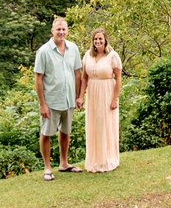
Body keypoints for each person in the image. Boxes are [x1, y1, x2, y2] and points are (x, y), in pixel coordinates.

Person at [32, 16, 84, 180]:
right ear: (52, 31)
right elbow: (38, 78)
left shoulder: (73, 48)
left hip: (68, 100)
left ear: (67, 31)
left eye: (64, 29)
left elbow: (77, 73)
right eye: (58, 29)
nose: (61, 32)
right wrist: (42, 104)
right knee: (46, 133)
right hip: (51, 101)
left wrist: (78, 96)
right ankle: (47, 168)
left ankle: (64, 163)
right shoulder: (44, 51)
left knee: (65, 132)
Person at [81, 27, 123, 173]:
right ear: (92, 41)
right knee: (93, 125)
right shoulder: (87, 55)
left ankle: (107, 159)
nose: (98, 41)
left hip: (107, 92)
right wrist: (81, 96)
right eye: (95, 39)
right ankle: (94, 161)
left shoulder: (113, 56)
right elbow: (84, 78)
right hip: (92, 93)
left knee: (105, 125)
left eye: (100, 39)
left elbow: (118, 79)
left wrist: (114, 99)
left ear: (105, 40)